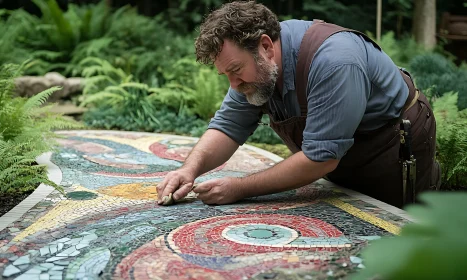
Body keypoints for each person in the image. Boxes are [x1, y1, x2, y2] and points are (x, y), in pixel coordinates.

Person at [156, 1, 441, 209]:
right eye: (225, 75)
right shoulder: (258, 68)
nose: (233, 84)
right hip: (341, 158)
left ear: (266, 47)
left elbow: (321, 157)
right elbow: (228, 127)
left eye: (235, 70)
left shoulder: (335, 62)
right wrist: (188, 170)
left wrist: (239, 188)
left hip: (391, 151)